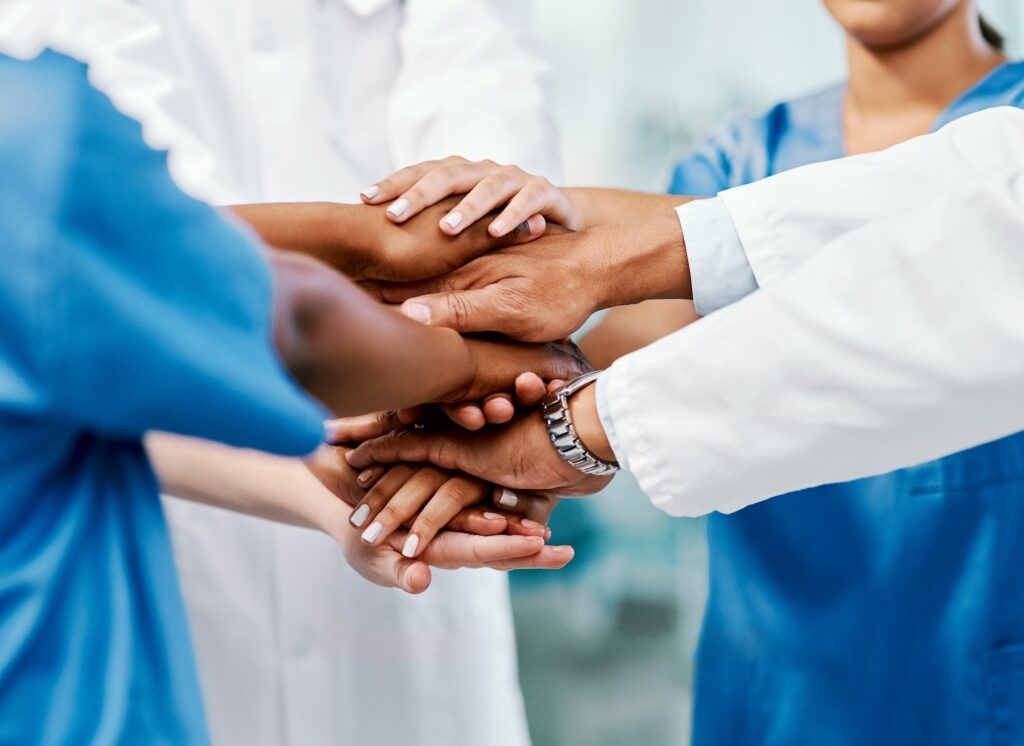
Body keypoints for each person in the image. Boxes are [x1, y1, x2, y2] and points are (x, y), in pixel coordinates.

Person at [0, 45, 579, 744]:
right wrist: (475, 357)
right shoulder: (32, 133)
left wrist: (340, 499)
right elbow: (301, 327)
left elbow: (80, 396)